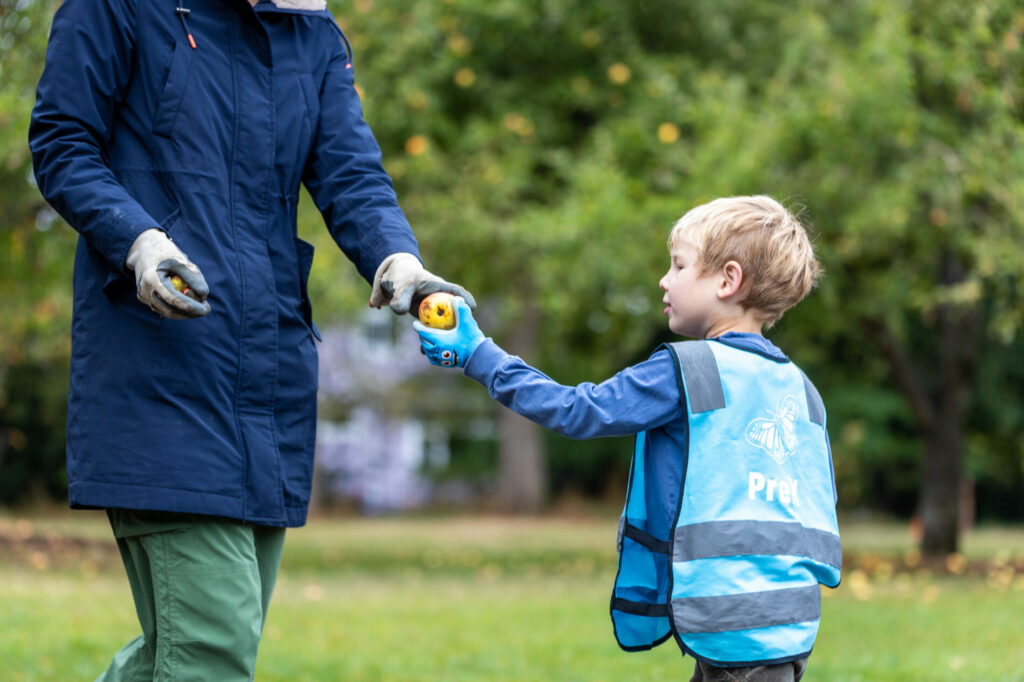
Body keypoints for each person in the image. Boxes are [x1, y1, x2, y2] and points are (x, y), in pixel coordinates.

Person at [28, 0, 473, 679]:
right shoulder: (114, 8)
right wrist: (139, 242)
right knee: (211, 649)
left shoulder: (313, 35)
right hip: (158, 370)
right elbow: (63, 144)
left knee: (181, 651)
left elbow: (350, 173)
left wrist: (398, 263)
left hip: (267, 386)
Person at [414, 196, 841, 681]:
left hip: (724, 622)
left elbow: (578, 411)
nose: (664, 279)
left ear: (728, 279)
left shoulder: (688, 368)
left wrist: (479, 356)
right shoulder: (801, 390)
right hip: (788, 623)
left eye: (678, 265)